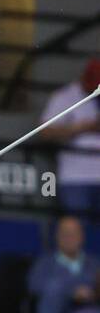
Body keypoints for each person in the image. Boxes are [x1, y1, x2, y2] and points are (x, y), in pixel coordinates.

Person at [27, 215, 99, 313]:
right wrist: (71, 292)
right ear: (57, 237)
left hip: (92, 310)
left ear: (82, 237)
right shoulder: (45, 263)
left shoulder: (95, 264)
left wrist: (92, 292)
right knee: (54, 287)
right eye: (65, 234)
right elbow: (34, 285)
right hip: (60, 311)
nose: (69, 238)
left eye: (74, 234)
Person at [38, 59, 100, 215]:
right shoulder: (65, 97)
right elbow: (45, 132)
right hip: (75, 177)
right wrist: (81, 128)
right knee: (75, 228)